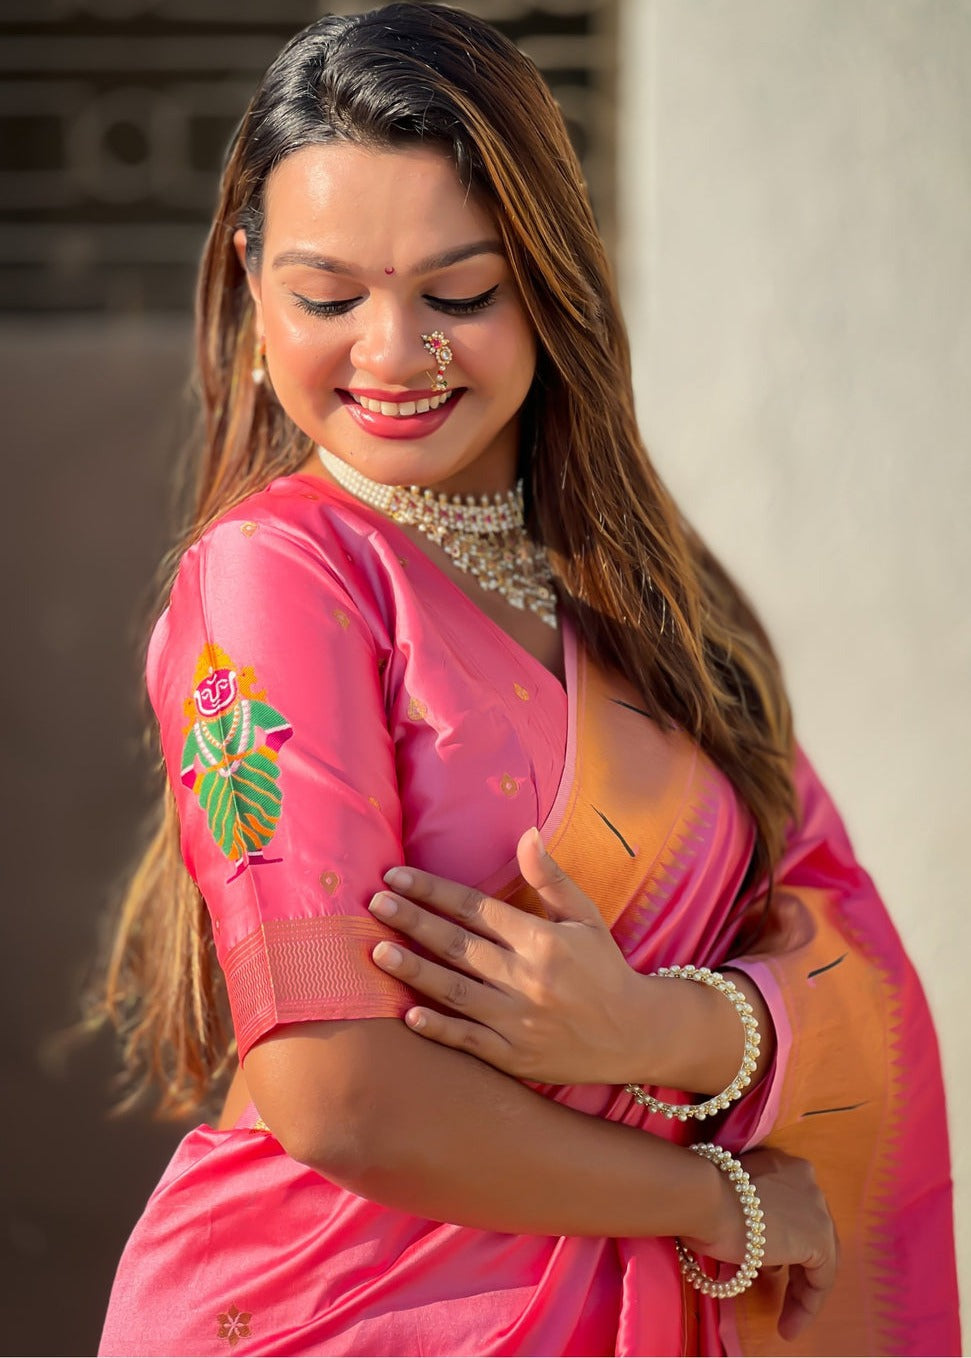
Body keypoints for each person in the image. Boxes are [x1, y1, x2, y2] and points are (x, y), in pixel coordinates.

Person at [96, 5, 960, 1355]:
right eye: (329, 297)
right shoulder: (275, 576)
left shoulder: (654, 600)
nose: (392, 353)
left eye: (460, 292)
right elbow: (338, 1095)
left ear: (553, 282)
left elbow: (841, 943)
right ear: (255, 282)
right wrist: (715, 1199)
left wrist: (660, 1029)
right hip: (350, 1312)